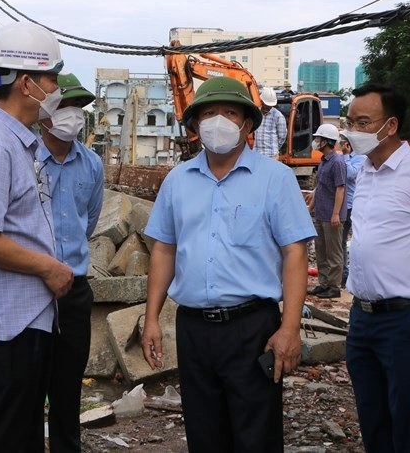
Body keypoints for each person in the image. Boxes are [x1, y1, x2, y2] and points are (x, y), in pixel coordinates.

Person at [141, 76, 315, 453]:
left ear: (247, 124)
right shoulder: (177, 181)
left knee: (256, 435)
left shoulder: (275, 179)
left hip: (252, 328)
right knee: (204, 434)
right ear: (194, 126)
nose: (217, 120)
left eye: (230, 112)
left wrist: (289, 328)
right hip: (193, 328)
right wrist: (152, 317)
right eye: (208, 113)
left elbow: (295, 255)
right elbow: (164, 250)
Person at [0, 22, 73, 452]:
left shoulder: (17, 144)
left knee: (17, 438)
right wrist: (50, 267)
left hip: (21, 320)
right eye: (52, 79)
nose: (57, 89)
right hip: (6, 328)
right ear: (27, 83)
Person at [341, 82, 410, 453]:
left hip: (404, 319)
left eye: (362, 122)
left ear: (389, 126)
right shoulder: (364, 172)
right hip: (361, 315)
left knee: (405, 414)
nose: (352, 131)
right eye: (350, 121)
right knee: (371, 414)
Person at [37, 73, 104, 453]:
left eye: (78, 107)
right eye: (65, 106)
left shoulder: (91, 165)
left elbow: (89, 221)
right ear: (43, 111)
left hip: (76, 290)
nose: (73, 115)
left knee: (68, 385)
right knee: (27, 382)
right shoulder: (25, 157)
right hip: (31, 287)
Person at [306, 123, 346, 299]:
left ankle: (334, 286)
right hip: (321, 213)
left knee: (333, 252)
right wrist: (310, 208)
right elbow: (319, 188)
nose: (316, 142)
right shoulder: (323, 162)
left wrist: (336, 213)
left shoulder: (337, 162)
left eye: (318, 139)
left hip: (332, 216)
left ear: (327, 141)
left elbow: (340, 189)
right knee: (321, 250)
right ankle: (323, 284)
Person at [340, 136, 365, 287]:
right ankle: (344, 274)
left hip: (354, 206)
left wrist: (345, 156)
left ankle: (356, 274)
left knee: (358, 241)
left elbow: (350, 174)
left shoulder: (360, 158)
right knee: (341, 242)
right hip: (344, 206)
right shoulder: (343, 157)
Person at [255, 86, 288, 158]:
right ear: (261, 101)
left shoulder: (278, 116)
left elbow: (282, 137)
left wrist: (274, 150)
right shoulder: (256, 113)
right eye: (267, 104)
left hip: (271, 155)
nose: (269, 106)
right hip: (256, 153)